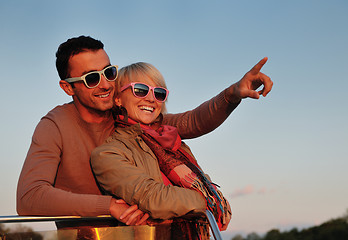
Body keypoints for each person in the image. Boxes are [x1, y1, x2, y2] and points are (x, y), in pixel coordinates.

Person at [16, 35, 272, 226]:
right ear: (68, 87)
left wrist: (232, 94)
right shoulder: (55, 125)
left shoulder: (132, 122)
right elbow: (29, 197)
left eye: (109, 72)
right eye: (91, 78)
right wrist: (107, 206)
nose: (105, 84)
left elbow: (194, 121)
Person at [90, 62, 232, 232]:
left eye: (159, 93)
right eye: (140, 90)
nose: (151, 99)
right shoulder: (108, 153)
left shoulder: (174, 144)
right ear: (118, 98)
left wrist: (210, 198)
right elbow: (155, 199)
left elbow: (211, 190)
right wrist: (210, 200)